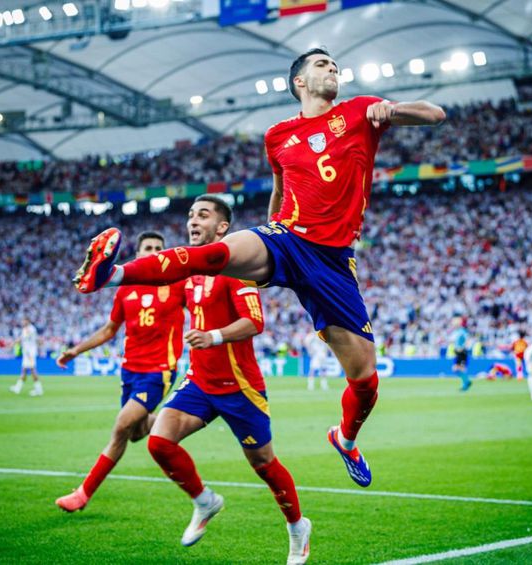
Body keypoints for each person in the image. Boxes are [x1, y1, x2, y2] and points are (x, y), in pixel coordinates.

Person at [72, 47, 445, 487]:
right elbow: (281, 189)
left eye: (335, 65)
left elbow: (435, 113)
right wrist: (266, 238)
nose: (333, 69)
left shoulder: (361, 111)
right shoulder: (278, 136)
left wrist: (393, 109)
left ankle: (345, 439)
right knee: (217, 255)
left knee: (365, 379)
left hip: (333, 260)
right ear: (300, 82)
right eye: (323, 65)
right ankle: (111, 273)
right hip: (287, 237)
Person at [145, 196, 311, 564]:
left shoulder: (236, 268)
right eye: (190, 215)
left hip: (239, 387)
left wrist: (214, 336)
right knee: (159, 442)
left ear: (222, 228)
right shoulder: (190, 270)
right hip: (200, 381)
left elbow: (255, 322)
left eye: (203, 215)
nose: (193, 221)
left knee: (264, 464)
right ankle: (205, 502)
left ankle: (298, 527)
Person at [54, 232, 185, 512]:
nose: (152, 251)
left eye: (158, 248)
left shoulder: (176, 284)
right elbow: (109, 331)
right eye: (147, 247)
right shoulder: (125, 289)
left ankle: (83, 493)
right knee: (136, 432)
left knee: (121, 426)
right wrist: (76, 350)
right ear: (137, 254)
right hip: (130, 372)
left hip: (159, 371)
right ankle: (171, 419)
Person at [10, 317, 42, 396]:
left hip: (29, 353)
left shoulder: (29, 329)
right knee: (24, 370)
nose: (22, 322)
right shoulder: (28, 329)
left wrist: (13, 343)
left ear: (28, 321)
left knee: (32, 370)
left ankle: (38, 389)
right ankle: (18, 388)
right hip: (27, 352)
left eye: (24, 320)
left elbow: (22, 338)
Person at [449, 317, 471, 391]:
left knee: (459, 369)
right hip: (458, 352)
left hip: (462, 352)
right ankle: (467, 381)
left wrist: (463, 347)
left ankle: (465, 384)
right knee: (456, 369)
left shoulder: (462, 331)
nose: (453, 325)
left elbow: (467, 339)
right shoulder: (457, 331)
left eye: (454, 324)